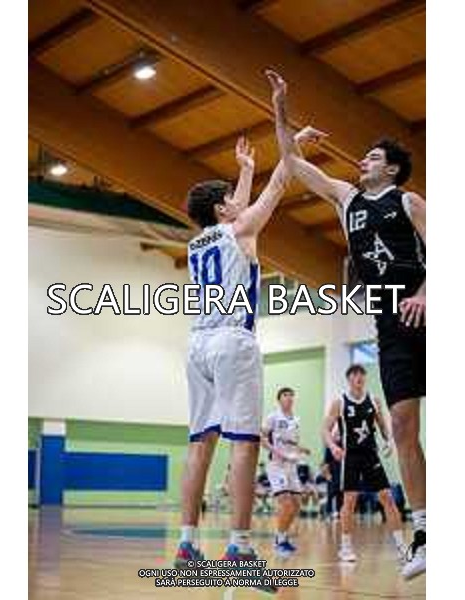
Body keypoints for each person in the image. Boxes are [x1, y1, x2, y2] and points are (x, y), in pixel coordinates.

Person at [266, 70, 426, 580]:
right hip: (390, 323)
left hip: (427, 307)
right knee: (404, 427)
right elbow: (291, 162)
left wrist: (426, 292)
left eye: (373, 158)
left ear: (393, 168)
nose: (363, 161)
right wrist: (282, 107)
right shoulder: (346, 198)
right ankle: (425, 534)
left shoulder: (408, 201)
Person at [175, 134, 300, 576]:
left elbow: (237, 214)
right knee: (244, 444)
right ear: (220, 209)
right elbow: (279, 184)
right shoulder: (241, 229)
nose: (236, 201)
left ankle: (187, 545)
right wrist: (291, 146)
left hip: (197, 345)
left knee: (199, 444)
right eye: (229, 198)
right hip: (232, 341)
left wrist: (246, 170)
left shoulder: (197, 244)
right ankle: (239, 549)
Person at [323, 365, 405, 564]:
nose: (359, 378)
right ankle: (346, 548)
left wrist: (388, 441)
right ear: (348, 379)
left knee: (387, 497)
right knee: (350, 500)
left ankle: (402, 546)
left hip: (371, 456)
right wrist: (333, 446)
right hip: (350, 456)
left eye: (361, 374)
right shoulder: (339, 402)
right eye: (354, 375)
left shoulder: (374, 401)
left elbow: (383, 425)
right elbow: (325, 429)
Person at [261, 387, 311, 557]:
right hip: (277, 465)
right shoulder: (273, 417)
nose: (289, 398)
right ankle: (280, 541)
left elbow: (291, 442)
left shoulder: (295, 420)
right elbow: (262, 438)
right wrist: (275, 451)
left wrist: (301, 449)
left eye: (291, 395)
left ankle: (283, 536)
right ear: (279, 399)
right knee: (286, 504)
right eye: (285, 395)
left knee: (297, 505)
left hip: (291, 465)